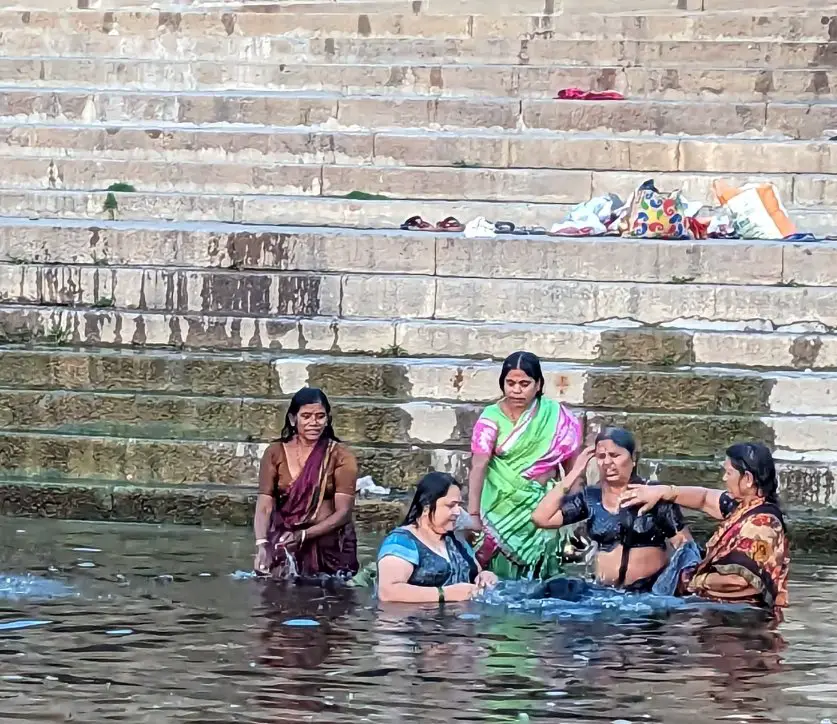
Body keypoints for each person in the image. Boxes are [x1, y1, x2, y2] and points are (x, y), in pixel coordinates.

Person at [619, 442, 789, 611]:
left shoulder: (762, 525)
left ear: (748, 479)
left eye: (728, 473)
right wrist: (664, 492)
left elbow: (738, 581)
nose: (724, 478)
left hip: (742, 620)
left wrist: (692, 580)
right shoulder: (742, 506)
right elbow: (705, 498)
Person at [531, 427, 691, 591]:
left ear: (633, 458)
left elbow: (685, 545)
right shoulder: (591, 497)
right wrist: (575, 471)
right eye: (601, 457)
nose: (607, 462)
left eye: (615, 455)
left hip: (647, 594)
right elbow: (541, 518)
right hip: (605, 594)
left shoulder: (653, 494)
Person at [468, 351, 582, 579]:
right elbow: (478, 467)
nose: (516, 390)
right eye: (510, 383)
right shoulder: (490, 417)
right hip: (499, 509)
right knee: (496, 577)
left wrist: (574, 516)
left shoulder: (559, 417)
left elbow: (573, 471)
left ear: (538, 384)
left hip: (543, 509)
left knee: (543, 576)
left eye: (524, 383)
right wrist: (473, 515)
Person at [253, 387, 359, 578]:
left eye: (320, 416)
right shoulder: (274, 452)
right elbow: (264, 505)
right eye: (307, 416)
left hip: (329, 548)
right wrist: (262, 544)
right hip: (284, 542)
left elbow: (343, 512)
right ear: (293, 419)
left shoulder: (340, 456)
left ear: (327, 419)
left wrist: (304, 535)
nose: (314, 422)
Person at [377, 472, 499, 603]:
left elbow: (476, 573)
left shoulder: (455, 539)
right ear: (426, 506)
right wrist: (446, 594)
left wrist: (484, 576)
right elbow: (388, 592)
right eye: (451, 505)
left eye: (459, 505)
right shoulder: (401, 542)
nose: (458, 512)